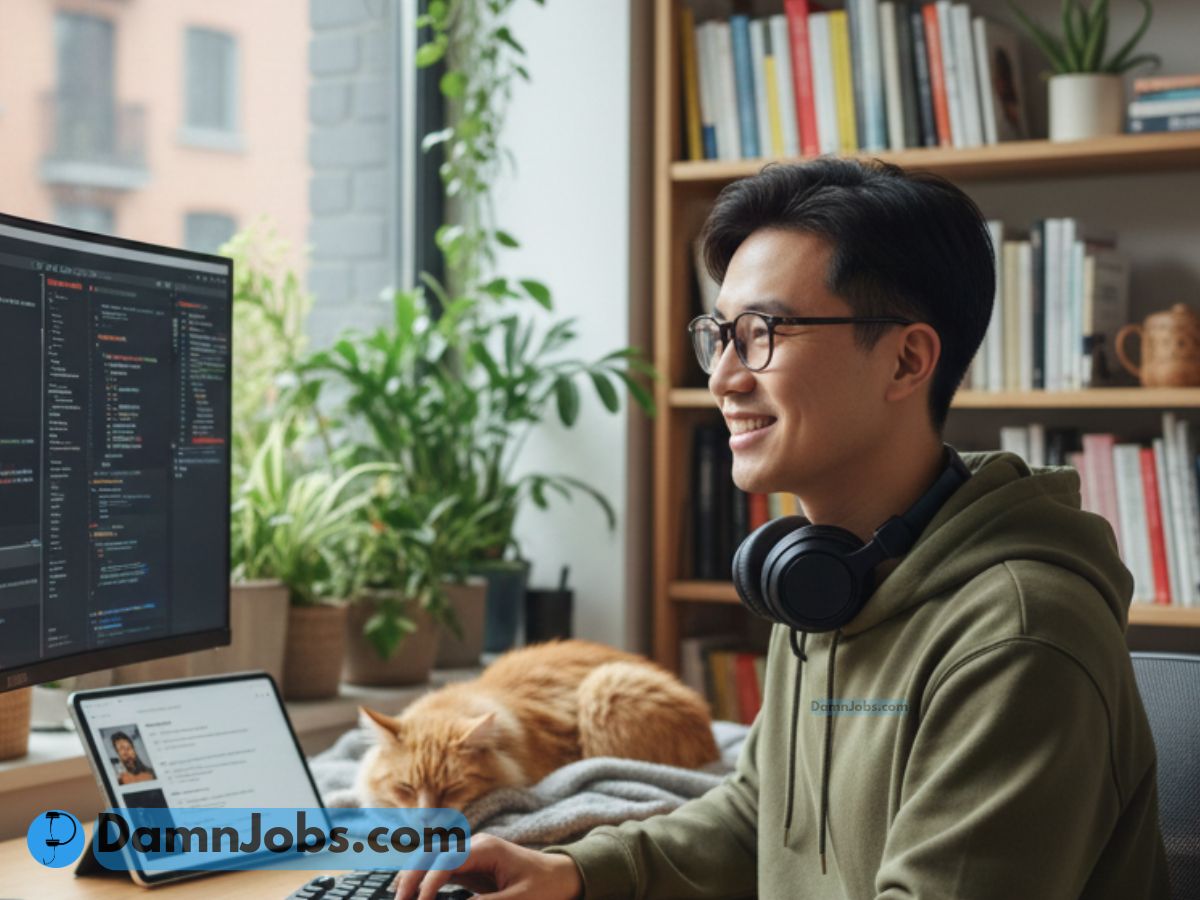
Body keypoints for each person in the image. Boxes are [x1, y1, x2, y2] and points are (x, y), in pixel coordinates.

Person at [397, 159, 1169, 899]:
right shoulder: (826, 583)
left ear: (906, 361)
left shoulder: (1020, 639)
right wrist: (575, 871)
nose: (725, 378)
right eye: (721, 335)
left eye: (764, 331)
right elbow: (756, 817)